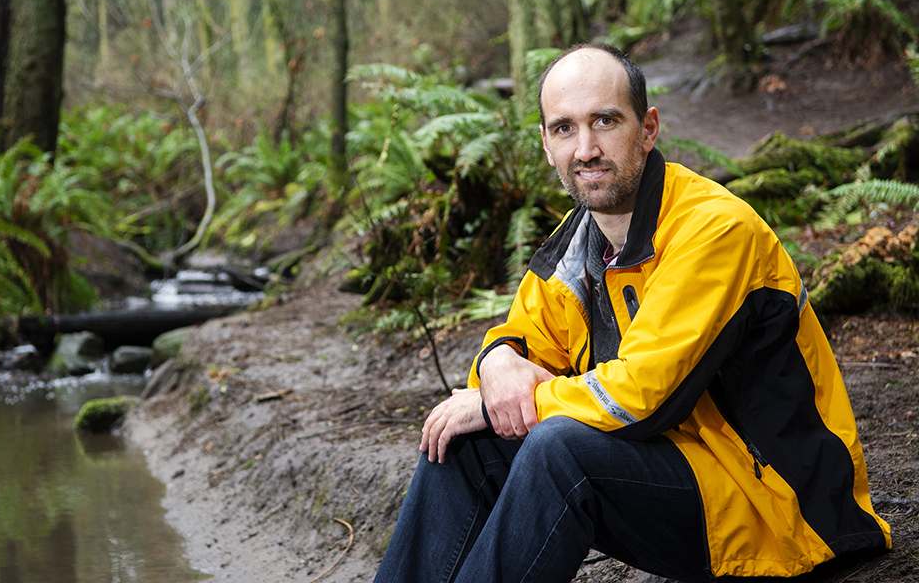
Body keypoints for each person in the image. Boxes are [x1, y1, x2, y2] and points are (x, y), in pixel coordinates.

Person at [373, 44, 891, 583]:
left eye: (604, 121)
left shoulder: (713, 230)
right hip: (684, 470)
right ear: (547, 146)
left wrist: (502, 397)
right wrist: (499, 360)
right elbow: (521, 338)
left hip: (781, 506)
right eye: (565, 129)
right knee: (465, 442)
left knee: (557, 448)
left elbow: (643, 396)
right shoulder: (577, 242)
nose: (586, 148)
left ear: (647, 129)